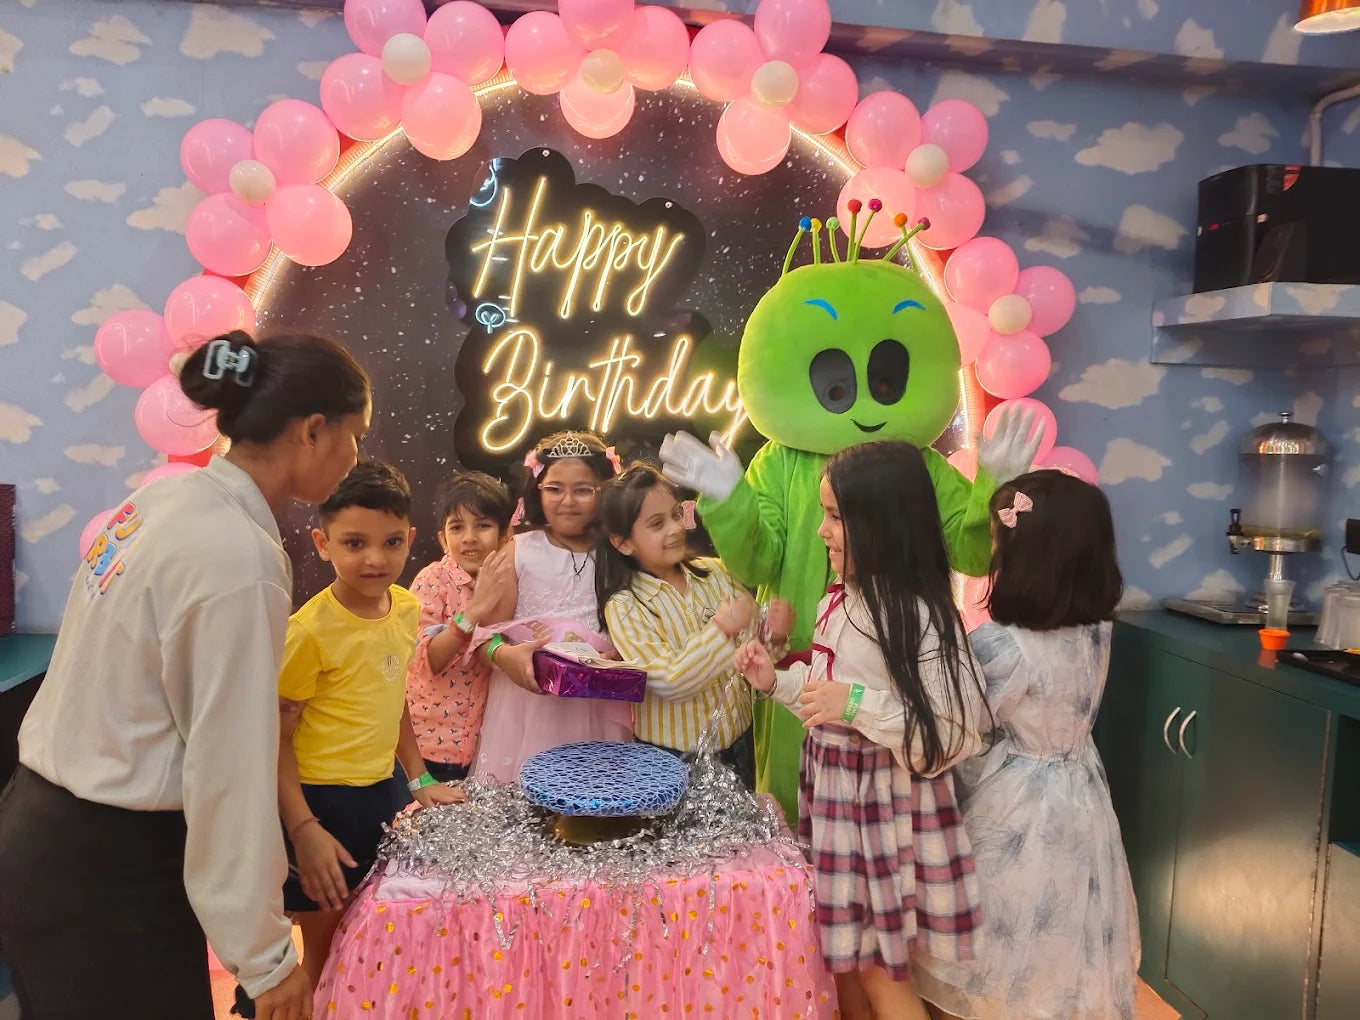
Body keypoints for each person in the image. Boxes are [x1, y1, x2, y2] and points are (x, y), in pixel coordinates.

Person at [0, 330, 370, 1020]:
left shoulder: (164, 502)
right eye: (355, 435)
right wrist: (264, 957)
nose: (356, 457)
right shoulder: (238, 558)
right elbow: (227, 769)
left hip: (38, 834)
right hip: (105, 874)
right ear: (313, 430)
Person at [662, 211, 1041, 823]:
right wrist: (728, 499)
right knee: (795, 811)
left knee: (894, 814)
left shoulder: (917, 467)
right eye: (836, 384)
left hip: (899, 670)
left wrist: (995, 485)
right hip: (801, 674)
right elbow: (758, 557)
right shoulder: (782, 463)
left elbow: (971, 553)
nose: (863, 400)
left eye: (885, 378)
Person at [737, 441, 988, 1020]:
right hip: (839, 806)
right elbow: (829, 699)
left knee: (878, 971)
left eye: (834, 516)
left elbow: (952, 733)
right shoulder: (843, 600)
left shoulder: (916, 614)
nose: (821, 531)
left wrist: (854, 704)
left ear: (884, 522)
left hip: (882, 814)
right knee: (840, 959)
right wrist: (774, 682)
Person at [914, 470, 1140, 1020]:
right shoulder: (1096, 631)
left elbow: (959, 728)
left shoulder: (1002, 646)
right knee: (1065, 946)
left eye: (996, 543)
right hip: (1083, 800)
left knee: (1002, 951)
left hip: (1016, 811)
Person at [275, 462, 475, 987]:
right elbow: (275, 740)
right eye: (354, 542)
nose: (374, 558)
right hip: (320, 802)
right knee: (322, 947)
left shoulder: (406, 607)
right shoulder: (307, 633)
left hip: (381, 792)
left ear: (410, 539)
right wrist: (303, 829)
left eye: (390, 543)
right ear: (322, 543)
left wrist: (420, 778)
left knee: (369, 936)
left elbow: (395, 700)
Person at [596, 464, 792, 789]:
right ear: (624, 543)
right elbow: (670, 681)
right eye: (657, 524)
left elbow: (754, 653)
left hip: (739, 742)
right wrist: (721, 630)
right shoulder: (625, 606)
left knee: (739, 836)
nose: (674, 529)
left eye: (676, 515)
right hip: (673, 756)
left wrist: (774, 633)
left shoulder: (714, 572)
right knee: (682, 839)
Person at [473, 431, 631, 782]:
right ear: (537, 490)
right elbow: (483, 637)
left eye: (583, 489)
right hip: (527, 706)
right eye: (555, 488)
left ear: (605, 492)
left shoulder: (620, 552)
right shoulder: (521, 550)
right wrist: (504, 657)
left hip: (598, 707)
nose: (568, 501)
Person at [406, 471, 518, 783]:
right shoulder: (432, 580)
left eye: (483, 525)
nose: (469, 537)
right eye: (457, 527)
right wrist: (474, 612)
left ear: (505, 534)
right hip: (429, 744)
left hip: (481, 742)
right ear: (443, 539)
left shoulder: (509, 579)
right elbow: (428, 660)